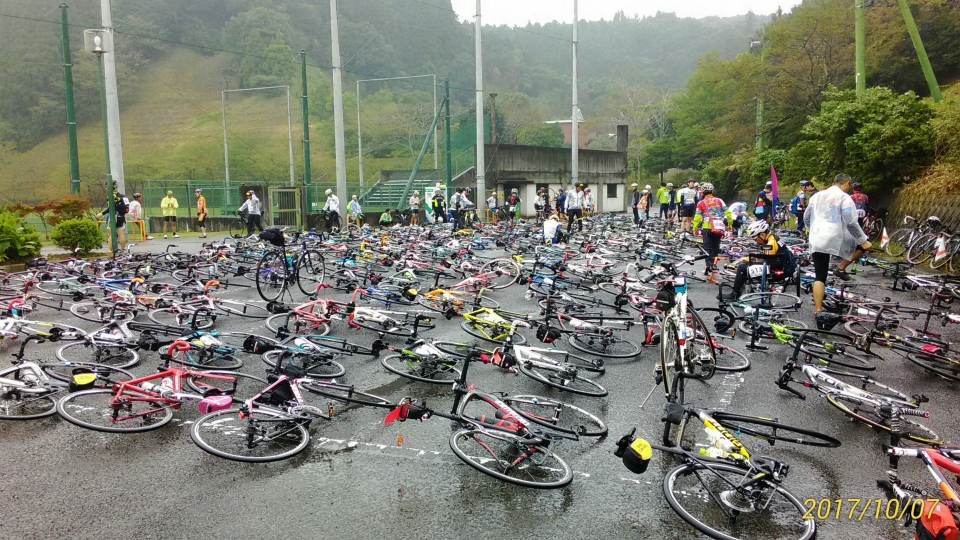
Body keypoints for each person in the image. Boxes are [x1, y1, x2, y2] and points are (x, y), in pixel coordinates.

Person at [803, 173, 871, 328]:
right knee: (862, 246)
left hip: (817, 237)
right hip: (836, 237)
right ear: (847, 183)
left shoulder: (816, 196)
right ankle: (841, 267)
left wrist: (811, 230)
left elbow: (807, 217)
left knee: (820, 275)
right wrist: (863, 240)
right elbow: (850, 221)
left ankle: (818, 310)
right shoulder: (845, 198)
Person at [726, 220, 787, 299]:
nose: (755, 241)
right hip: (779, 265)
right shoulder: (773, 238)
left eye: (755, 238)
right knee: (746, 265)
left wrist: (751, 260)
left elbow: (767, 259)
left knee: (742, 268)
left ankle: (734, 294)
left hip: (772, 269)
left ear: (762, 234)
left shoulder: (771, 243)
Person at [691, 183, 731, 274]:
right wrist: (730, 224)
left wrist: (694, 228)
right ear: (712, 191)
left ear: (702, 193)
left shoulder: (701, 203)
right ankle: (714, 265)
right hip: (718, 227)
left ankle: (708, 267)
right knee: (716, 247)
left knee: (707, 248)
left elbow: (697, 217)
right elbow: (728, 212)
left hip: (707, 227)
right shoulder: (719, 200)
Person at [97, 182, 129, 250]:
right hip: (121, 216)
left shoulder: (111, 196)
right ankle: (123, 249)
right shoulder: (122, 196)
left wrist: (102, 213)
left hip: (114, 216)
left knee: (111, 234)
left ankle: (110, 249)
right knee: (121, 233)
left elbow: (111, 207)